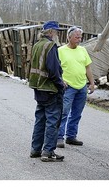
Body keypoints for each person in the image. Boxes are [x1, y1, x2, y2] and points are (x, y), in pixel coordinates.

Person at [29, 20, 66, 162]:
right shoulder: (51, 46)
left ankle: (35, 150)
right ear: (51, 32)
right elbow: (53, 70)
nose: (57, 34)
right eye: (56, 31)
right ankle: (48, 152)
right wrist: (60, 84)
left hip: (38, 88)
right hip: (50, 88)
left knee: (40, 119)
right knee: (52, 120)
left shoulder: (37, 45)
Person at [56, 26, 95, 148]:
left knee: (77, 113)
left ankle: (71, 136)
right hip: (68, 87)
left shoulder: (83, 50)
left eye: (80, 37)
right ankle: (59, 137)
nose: (79, 39)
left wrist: (92, 83)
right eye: (76, 37)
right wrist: (61, 80)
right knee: (64, 112)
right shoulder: (60, 50)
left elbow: (87, 67)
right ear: (69, 37)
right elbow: (56, 68)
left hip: (82, 86)